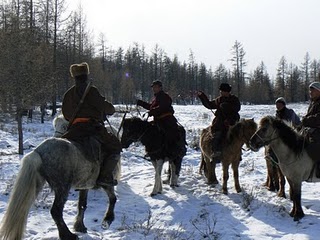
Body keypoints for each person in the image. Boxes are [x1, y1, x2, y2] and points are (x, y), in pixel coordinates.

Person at [61, 62, 122, 187]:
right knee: (115, 145)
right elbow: (105, 107)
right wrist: (111, 109)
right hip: (91, 128)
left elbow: (66, 115)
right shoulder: (91, 90)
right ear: (86, 75)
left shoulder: (68, 94)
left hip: (73, 129)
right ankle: (105, 176)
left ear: (74, 77)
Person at [136, 80, 181, 158]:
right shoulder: (156, 98)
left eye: (155, 87)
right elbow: (151, 107)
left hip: (167, 121)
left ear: (160, 88)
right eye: (153, 87)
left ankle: (171, 151)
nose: (154, 89)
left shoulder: (165, 96)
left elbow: (162, 107)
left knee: (167, 134)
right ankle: (152, 151)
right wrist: (141, 103)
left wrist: (152, 111)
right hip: (158, 121)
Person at [264, 97, 301, 191]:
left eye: (280, 104)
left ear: (284, 104)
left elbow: (290, 126)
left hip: (291, 136)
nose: (278, 105)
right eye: (277, 104)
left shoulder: (290, 113)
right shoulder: (277, 114)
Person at [197, 83, 241, 160]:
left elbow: (237, 108)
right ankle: (216, 151)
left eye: (222, 91)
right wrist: (202, 96)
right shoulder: (219, 100)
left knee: (237, 135)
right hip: (220, 123)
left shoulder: (234, 99)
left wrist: (226, 106)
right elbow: (209, 105)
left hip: (232, 121)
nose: (220, 92)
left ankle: (238, 153)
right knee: (217, 134)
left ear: (226, 91)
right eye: (220, 91)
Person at [300, 82, 320, 177]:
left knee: (313, 147)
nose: (310, 92)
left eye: (312, 90)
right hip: (311, 130)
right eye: (310, 90)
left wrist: (306, 120)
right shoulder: (313, 103)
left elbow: (318, 118)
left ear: (318, 91)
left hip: (318, 131)